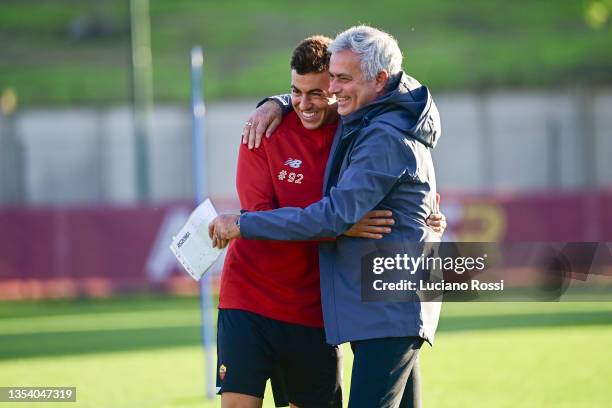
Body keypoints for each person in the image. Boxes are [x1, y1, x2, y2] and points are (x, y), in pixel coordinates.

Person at [210, 25, 442, 408]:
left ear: (379, 79)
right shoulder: (371, 114)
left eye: (336, 82)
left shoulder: (374, 132)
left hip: (379, 303)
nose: (330, 91)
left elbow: (334, 215)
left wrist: (243, 223)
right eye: (329, 79)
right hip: (363, 304)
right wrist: (277, 101)